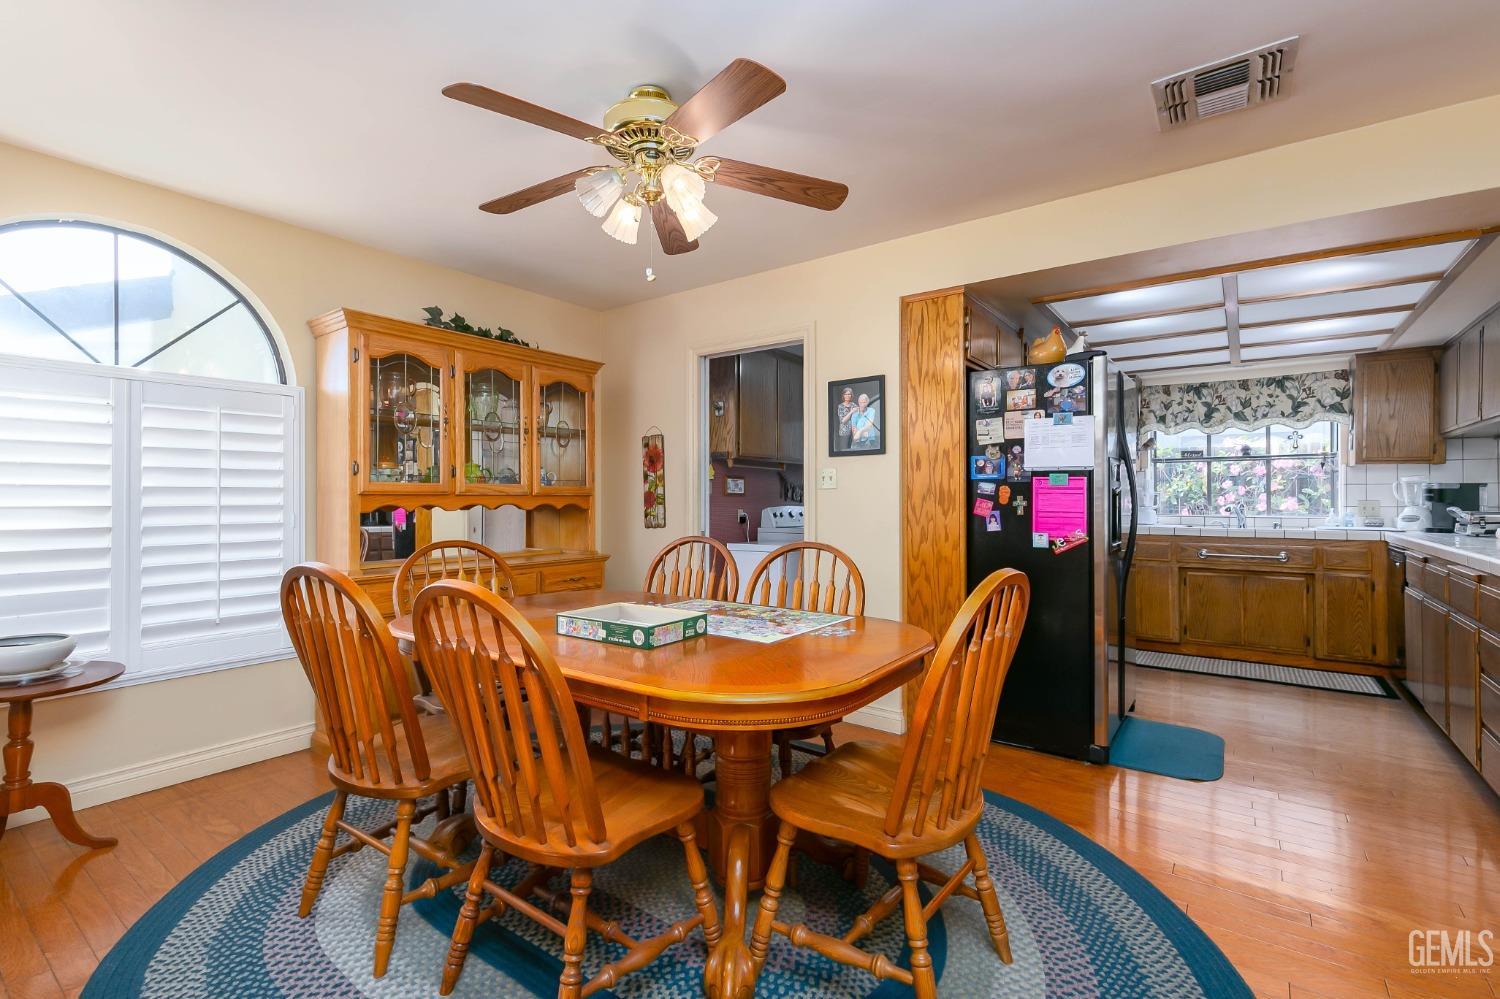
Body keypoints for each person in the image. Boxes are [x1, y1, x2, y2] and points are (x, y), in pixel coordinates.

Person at [836, 386, 856, 452]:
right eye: (846, 394)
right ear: (843, 395)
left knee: (852, 450)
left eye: (849, 394)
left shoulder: (853, 405)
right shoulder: (840, 406)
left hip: (853, 432)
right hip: (844, 432)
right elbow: (843, 421)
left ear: (851, 395)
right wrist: (851, 412)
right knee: (844, 450)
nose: (848, 396)